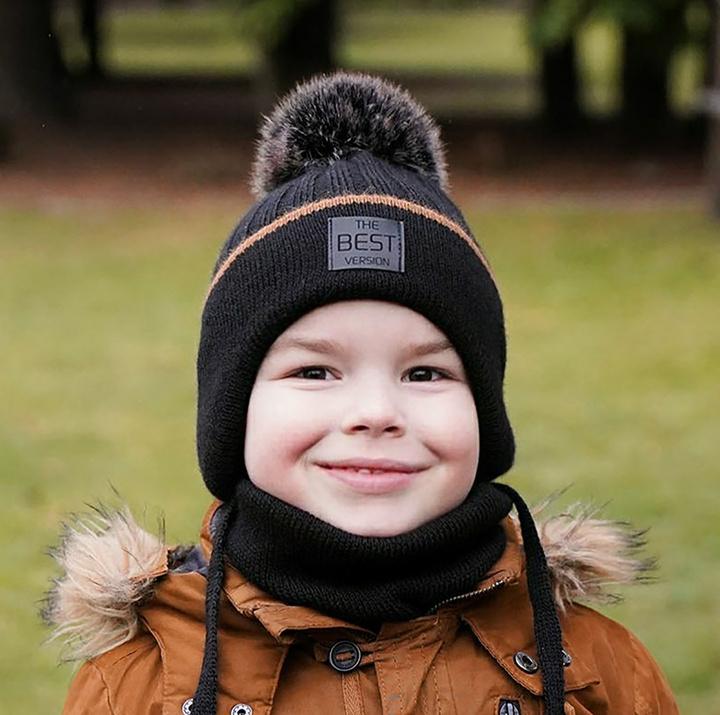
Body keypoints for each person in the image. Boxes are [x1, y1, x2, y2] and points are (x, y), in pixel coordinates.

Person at [44, 72, 679, 715]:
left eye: (425, 374)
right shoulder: (134, 686)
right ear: (232, 413)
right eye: (315, 372)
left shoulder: (596, 669)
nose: (376, 413)